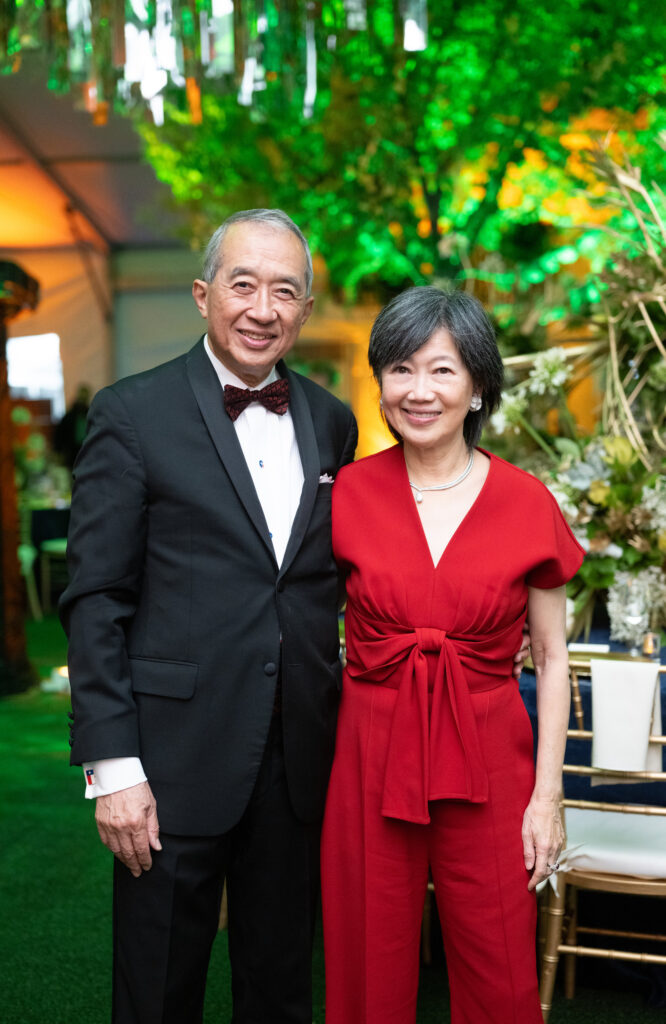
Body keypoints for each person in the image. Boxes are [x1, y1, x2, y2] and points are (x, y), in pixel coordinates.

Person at [58, 209, 358, 1024]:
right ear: (203, 295)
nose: (263, 308)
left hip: (298, 759)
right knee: (157, 991)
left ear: (305, 309)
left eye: (285, 291)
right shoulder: (131, 412)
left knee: (281, 988)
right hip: (170, 760)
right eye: (243, 284)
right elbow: (96, 598)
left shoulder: (333, 421)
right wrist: (113, 767)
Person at [320, 287, 584, 1024]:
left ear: (477, 388)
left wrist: (547, 796)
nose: (419, 390)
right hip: (370, 747)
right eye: (400, 369)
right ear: (381, 384)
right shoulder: (347, 493)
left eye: (442, 370)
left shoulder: (528, 502)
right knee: (367, 951)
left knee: (499, 958)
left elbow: (552, 657)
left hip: (491, 753)